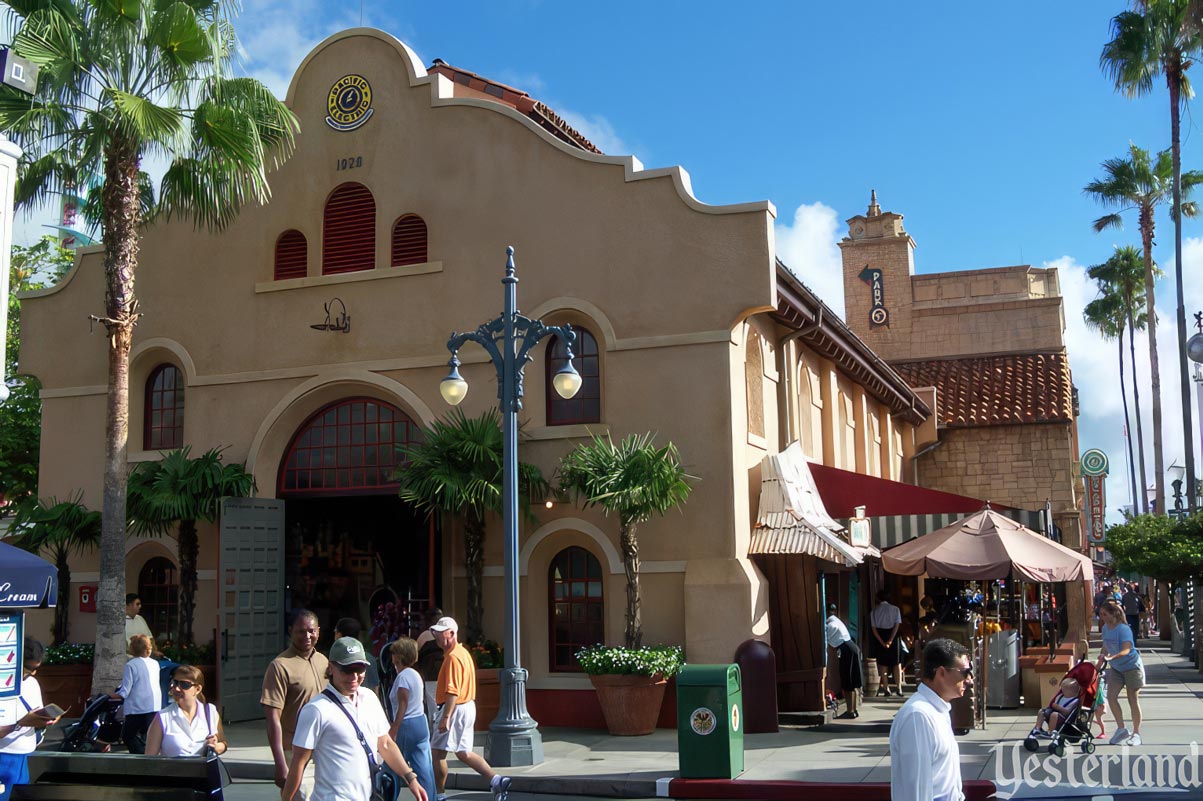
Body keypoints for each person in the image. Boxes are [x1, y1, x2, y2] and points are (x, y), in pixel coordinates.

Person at [283, 638, 427, 801]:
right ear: (331, 669)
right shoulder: (316, 710)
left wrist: (410, 778)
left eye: (360, 669)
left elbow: (385, 744)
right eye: (347, 670)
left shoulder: (369, 698)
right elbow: (298, 763)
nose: (354, 676)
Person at [429, 617, 511, 801]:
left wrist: (445, 717)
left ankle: (439, 795)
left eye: (439, 633)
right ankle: (496, 780)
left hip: (455, 708)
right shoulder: (463, 653)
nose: (436, 636)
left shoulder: (452, 657)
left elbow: (452, 691)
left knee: (437, 753)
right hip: (466, 706)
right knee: (463, 752)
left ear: (451, 633)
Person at [889, 638, 972, 801]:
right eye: (964, 672)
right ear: (941, 672)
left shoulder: (937, 709)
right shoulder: (918, 716)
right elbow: (917, 790)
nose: (969, 679)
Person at [262, 609, 329, 799]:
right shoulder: (280, 666)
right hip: (295, 753)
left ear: (318, 631)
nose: (307, 636)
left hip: (324, 751)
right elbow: (272, 718)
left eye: (311, 631)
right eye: (301, 631)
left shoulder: (323, 661)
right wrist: (280, 763)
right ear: (291, 631)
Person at [0, 639, 62, 801]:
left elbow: (36, 713)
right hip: (4, 756)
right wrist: (20, 723)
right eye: (30, 668)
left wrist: (47, 718)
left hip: (24, 755)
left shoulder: (32, 683)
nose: (33, 673)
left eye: (37, 668)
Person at [384, 639, 436, 801]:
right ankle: (430, 798)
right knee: (423, 767)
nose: (392, 657)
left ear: (399, 656)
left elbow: (403, 704)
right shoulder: (416, 675)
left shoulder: (403, 677)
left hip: (406, 724)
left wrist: (394, 728)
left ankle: (388, 796)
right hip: (421, 721)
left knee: (392, 765)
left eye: (393, 653)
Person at [145, 665, 227, 757]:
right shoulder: (163, 717)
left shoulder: (210, 712)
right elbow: (149, 759)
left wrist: (216, 747)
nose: (177, 688)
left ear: (198, 689)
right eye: (174, 683)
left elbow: (223, 743)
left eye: (184, 685)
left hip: (203, 771)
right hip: (173, 770)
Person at [1098, 599, 1145, 746]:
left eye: (1104, 614)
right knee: (1111, 697)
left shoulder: (1123, 629)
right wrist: (1101, 659)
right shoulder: (1106, 628)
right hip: (1117, 668)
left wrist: (1111, 657)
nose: (1102, 617)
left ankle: (1136, 733)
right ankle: (1121, 729)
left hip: (1132, 666)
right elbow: (1105, 645)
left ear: (1113, 614)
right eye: (1101, 614)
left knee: (1132, 699)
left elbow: (1126, 650)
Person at [111, 634, 162, 754]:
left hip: (137, 707)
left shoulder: (131, 665)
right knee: (148, 736)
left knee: (128, 735)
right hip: (153, 705)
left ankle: (139, 757)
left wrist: (109, 696)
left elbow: (125, 691)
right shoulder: (155, 664)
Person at [824, 604, 862, 719]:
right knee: (852, 682)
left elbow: (826, 643)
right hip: (852, 647)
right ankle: (853, 710)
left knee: (848, 682)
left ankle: (850, 711)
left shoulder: (829, 625)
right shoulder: (837, 621)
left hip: (846, 650)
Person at [414, 609, 445, 732]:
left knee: (434, 708)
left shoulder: (425, 636)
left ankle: (436, 731)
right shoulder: (432, 635)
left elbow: (416, 658)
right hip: (435, 677)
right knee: (438, 706)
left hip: (432, 677)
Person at [871, 590, 904, 697]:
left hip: (880, 636)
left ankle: (886, 688)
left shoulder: (874, 611)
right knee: (896, 663)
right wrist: (890, 640)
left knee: (883, 664)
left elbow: (874, 629)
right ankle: (899, 688)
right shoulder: (895, 609)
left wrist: (882, 642)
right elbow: (897, 625)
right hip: (893, 636)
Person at [334, 617, 379, 693]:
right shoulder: (370, 659)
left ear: (339, 635)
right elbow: (376, 689)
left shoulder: (337, 661)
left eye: (335, 632)